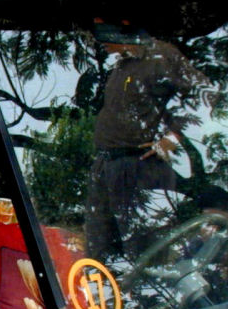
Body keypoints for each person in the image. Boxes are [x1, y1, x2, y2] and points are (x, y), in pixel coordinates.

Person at [84, 21, 206, 263]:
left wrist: (171, 138)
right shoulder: (122, 63)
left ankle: (149, 293)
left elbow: (200, 97)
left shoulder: (161, 55)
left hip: (137, 164)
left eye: (102, 31)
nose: (99, 40)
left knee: (144, 244)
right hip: (106, 164)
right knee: (99, 238)